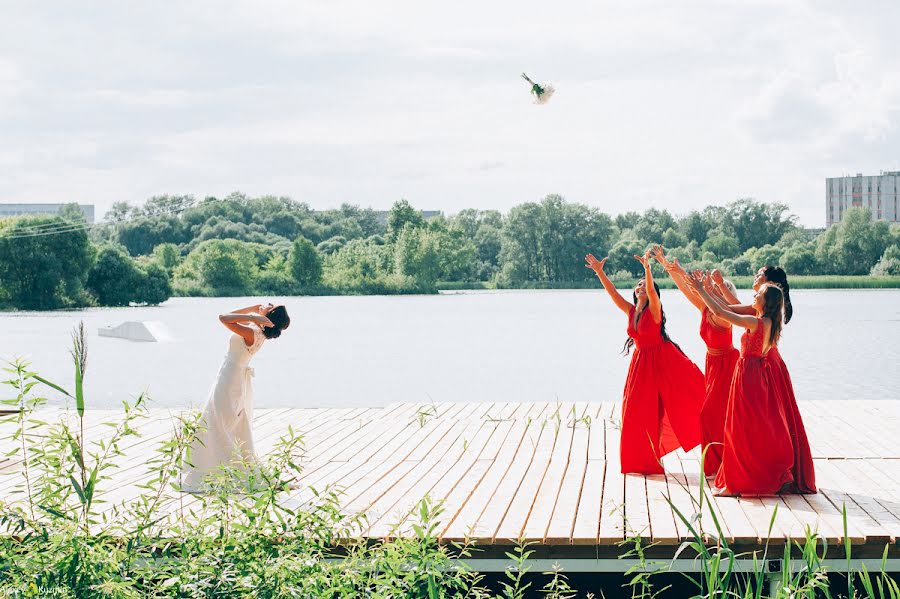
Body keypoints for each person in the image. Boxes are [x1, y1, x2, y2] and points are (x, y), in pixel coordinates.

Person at [586, 249, 703, 474]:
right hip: (640, 365)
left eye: (643, 285)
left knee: (655, 412)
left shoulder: (654, 310)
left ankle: (653, 460)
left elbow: (651, 289)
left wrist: (647, 268)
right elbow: (613, 294)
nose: (640, 287)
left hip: (662, 362)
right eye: (637, 285)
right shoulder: (631, 311)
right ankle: (640, 460)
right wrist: (600, 273)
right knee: (634, 413)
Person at [687, 273, 795, 495]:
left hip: (748, 377)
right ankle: (738, 480)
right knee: (747, 430)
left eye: (759, 294)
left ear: (766, 302)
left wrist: (701, 290)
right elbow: (728, 308)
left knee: (738, 430)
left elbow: (721, 313)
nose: (755, 295)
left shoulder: (754, 322)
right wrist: (711, 290)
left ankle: (734, 484)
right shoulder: (767, 321)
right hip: (755, 377)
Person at [712, 266, 815, 493]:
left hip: (766, 366)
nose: (755, 277)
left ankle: (778, 469)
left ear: (768, 283)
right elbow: (731, 308)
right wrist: (713, 288)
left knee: (772, 421)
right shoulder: (764, 312)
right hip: (759, 365)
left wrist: (706, 290)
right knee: (767, 422)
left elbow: (728, 311)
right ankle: (771, 469)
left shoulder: (763, 314)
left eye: (760, 274)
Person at [181, 303, 291, 492]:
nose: (267, 303)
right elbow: (230, 316)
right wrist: (254, 310)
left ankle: (215, 471)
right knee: (220, 422)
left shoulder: (252, 332)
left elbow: (223, 317)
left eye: (270, 305)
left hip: (230, 381)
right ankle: (214, 467)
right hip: (232, 377)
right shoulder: (257, 331)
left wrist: (253, 316)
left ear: (268, 316)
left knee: (216, 422)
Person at [653, 247, 739, 476]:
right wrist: (668, 266)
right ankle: (717, 464)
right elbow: (685, 289)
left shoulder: (725, 314)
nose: (707, 289)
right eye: (708, 287)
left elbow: (700, 293)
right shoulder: (705, 309)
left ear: (722, 293)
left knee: (711, 414)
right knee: (712, 414)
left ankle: (724, 462)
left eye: (713, 288)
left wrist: (701, 286)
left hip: (727, 366)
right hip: (711, 363)